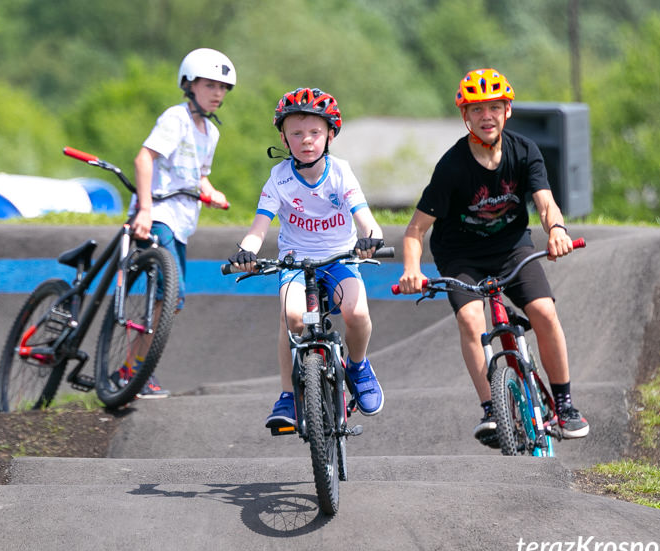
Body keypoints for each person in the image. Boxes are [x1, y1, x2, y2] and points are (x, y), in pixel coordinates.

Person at [396, 68, 589, 446]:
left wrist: (557, 230)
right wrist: (411, 269)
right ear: (464, 117)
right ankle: (491, 409)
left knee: (544, 311)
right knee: (471, 319)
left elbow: (545, 202)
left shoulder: (524, 151)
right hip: (460, 257)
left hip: (511, 249)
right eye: (477, 109)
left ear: (508, 112)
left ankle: (564, 404)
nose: (487, 115)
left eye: (495, 107)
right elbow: (415, 231)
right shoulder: (451, 167)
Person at [228, 87, 385, 429]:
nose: (306, 140)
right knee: (292, 317)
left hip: (339, 259)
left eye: (315, 132)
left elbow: (365, 217)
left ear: (330, 135)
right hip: (295, 263)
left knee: (356, 313)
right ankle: (288, 395)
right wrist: (246, 252)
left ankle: (358, 368)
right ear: (284, 139)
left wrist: (371, 238)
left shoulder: (340, 172)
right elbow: (258, 229)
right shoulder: (278, 178)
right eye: (296, 133)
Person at [124, 47, 235, 398]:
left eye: (223, 87)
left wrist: (211, 191)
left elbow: (198, 176)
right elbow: (144, 159)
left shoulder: (210, 134)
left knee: (171, 301)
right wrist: (143, 209)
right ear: (189, 84)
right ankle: (133, 371)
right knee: (170, 294)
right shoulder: (176, 119)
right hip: (157, 214)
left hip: (182, 223)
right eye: (210, 85)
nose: (217, 93)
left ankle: (130, 369)